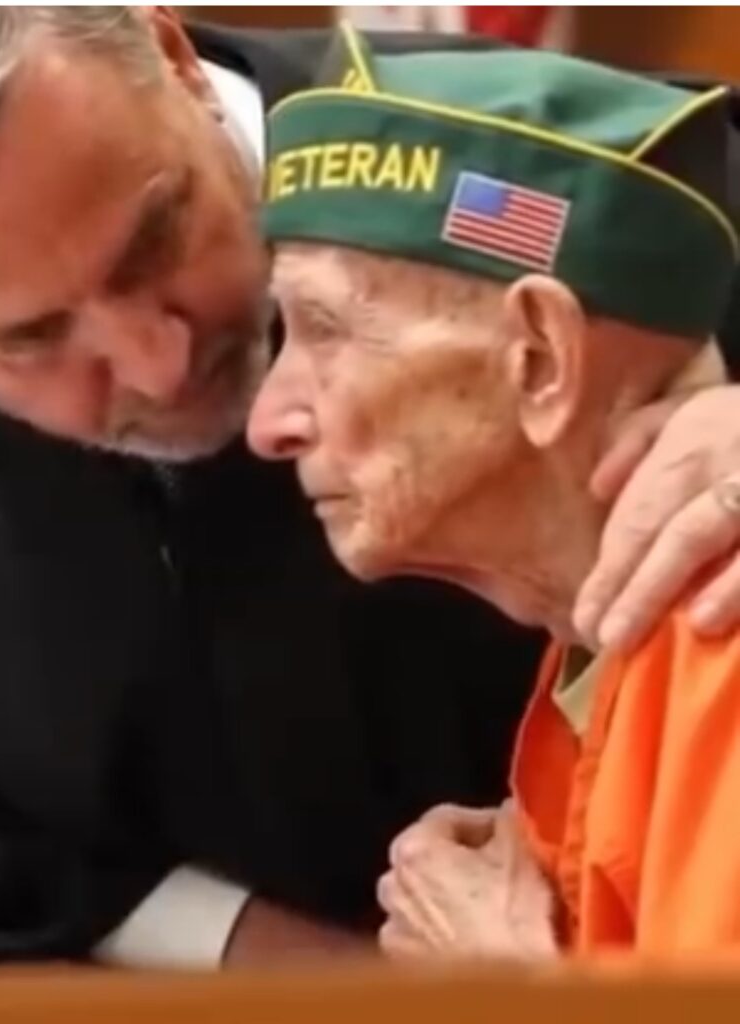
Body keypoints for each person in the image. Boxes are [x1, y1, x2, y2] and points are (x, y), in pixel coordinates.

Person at [0, 6, 733, 970]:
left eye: (154, 240)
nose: (157, 366)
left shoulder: (556, 173)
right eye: (29, 339)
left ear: (173, 56)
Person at [249, 29, 740, 954]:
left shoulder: (719, 645)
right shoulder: (599, 647)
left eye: (323, 328)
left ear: (541, 359)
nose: (267, 423)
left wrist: (507, 988)